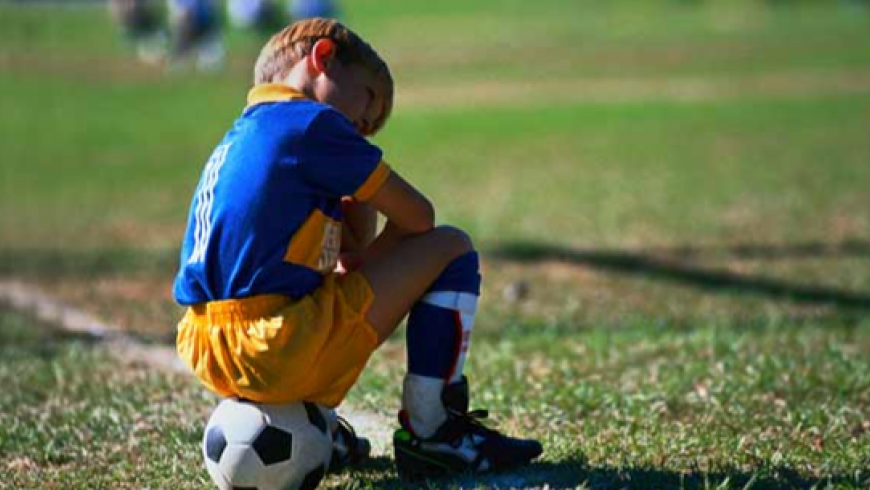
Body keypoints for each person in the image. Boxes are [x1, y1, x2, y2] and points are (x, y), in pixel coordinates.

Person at [173, 18, 543, 480]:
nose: (364, 130)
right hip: (274, 345)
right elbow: (417, 216)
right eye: (368, 102)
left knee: (337, 289)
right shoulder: (310, 124)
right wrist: (375, 256)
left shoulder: (248, 132)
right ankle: (435, 433)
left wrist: (352, 211)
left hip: (207, 344)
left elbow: (339, 253)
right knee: (451, 246)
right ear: (322, 58)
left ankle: (317, 424)